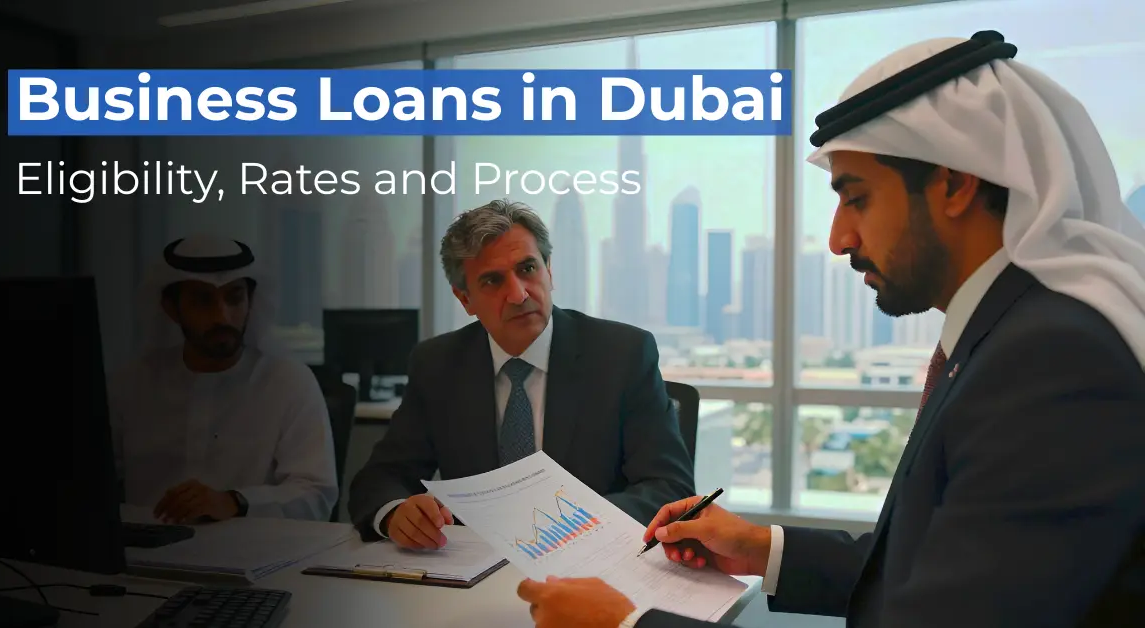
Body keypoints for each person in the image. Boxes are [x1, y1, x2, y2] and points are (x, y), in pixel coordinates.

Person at [515, 31, 1145, 628]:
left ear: (954, 183)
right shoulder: (1008, 332)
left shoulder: (1051, 361)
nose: (840, 239)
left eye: (857, 197)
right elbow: (939, 564)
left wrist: (626, 622)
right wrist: (760, 547)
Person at [347, 199, 694, 548]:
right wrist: (396, 514)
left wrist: (563, 526)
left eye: (527, 269)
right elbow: (380, 477)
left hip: (592, 567)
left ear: (549, 271)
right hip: (474, 571)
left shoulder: (622, 355)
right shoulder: (439, 365)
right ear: (464, 298)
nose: (517, 294)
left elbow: (668, 489)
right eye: (492, 281)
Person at [109, 234, 339, 523]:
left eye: (234, 298)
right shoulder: (129, 385)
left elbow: (316, 495)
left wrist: (236, 502)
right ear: (171, 308)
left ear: (251, 301)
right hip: (142, 553)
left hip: (253, 554)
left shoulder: (289, 382)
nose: (222, 316)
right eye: (202, 301)